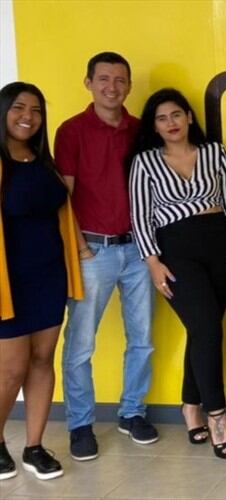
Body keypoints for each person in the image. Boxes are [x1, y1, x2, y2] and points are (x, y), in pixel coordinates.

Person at [128, 88, 226, 459]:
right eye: (162, 118)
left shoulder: (215, 152)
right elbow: (140, 215)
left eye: (176, 115)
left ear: (189, 117)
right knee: (208, 329)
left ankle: (189, 406)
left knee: (203, 330)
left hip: (220, 245)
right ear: (154, 126)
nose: (171, 123)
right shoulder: (145, 162)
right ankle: (217, 418)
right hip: (176, 250)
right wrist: (152, 262)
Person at [55, 52, 156, 461]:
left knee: (142, 339)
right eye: (104, 79)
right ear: (89, 83)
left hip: (138, 250)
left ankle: (132, 413)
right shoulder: (71, 131)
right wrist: (80, 247)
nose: (112, 87)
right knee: (80, 344)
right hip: (91, 250)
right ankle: (80, 424)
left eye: (120, 80)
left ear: (129, 85)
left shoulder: (140, 129)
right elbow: (64, 196)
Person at [0, 82, 83, 481]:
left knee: (41, 360)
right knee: (11, 369)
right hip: (7, 283)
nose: (27, 117)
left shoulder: (42, 161)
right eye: (19, 107)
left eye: (36, 110)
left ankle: (34, 446)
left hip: (48, 275)